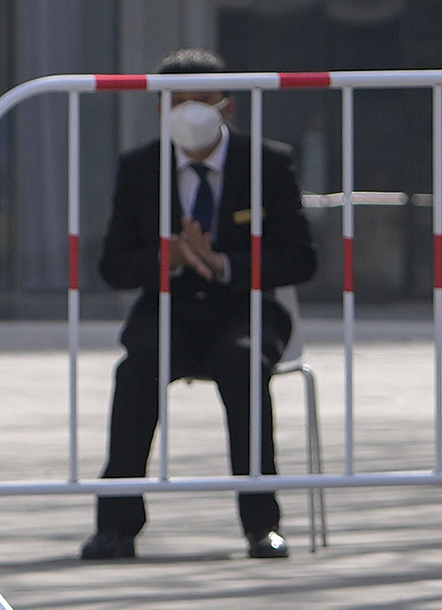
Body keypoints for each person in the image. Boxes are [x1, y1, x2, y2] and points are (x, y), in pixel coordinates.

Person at [82, 50, 317, 562]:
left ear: (227, 106)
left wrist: (226, 263)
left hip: (245, 308)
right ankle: (116, 526)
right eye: (177, 101)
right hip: (169, 307)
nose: (190, 111)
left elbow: (300, 258)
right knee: (137, 369)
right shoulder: (140, 168)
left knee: (244, 364)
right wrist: (165, 257)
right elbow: (114, 264)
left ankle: (262, 524)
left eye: (202, 100)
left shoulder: (268, 163)